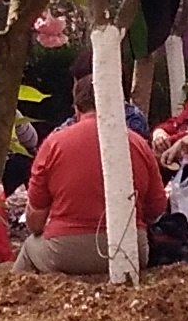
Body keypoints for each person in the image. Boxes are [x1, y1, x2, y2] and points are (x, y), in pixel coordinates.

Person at [17, 69, 168, 275]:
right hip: (130, 249)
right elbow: (156, 208)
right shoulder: (138, 143)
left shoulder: (54, 144)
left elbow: (34, 222)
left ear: (76, 108)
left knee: (28, 248)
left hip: (66, 250)